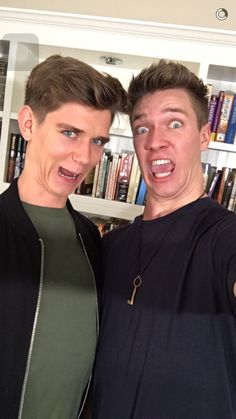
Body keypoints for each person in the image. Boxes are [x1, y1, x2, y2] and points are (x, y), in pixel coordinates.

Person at [92, 59, 236, 418]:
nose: (156, 142)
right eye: (142, 129)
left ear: (204, 136)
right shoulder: (109, 247)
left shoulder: (224, 238)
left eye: (175, 123)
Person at [0, 54, 127, 419]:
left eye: (98, 141)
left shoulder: (90, 238)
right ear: (28, 123)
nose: (84, 156)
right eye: (70, 132)